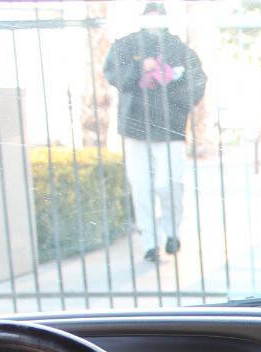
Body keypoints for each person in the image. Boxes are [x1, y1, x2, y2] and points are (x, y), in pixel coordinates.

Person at [104, 3, 207, 263]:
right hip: (135, 126)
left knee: (168, 183)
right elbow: (113, 73)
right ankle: (150, 243)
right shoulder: (126, 45)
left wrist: (173, 90)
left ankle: (172, 231)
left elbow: (197, 82)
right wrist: (142, 70)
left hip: (170, 128)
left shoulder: (179, 48)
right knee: (141, 187)